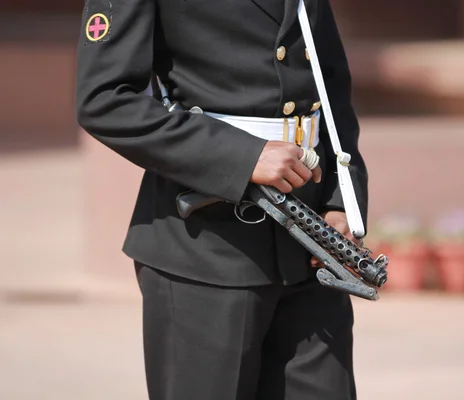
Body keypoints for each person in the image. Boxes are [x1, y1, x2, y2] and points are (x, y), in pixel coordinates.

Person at [75, 0, 369, 398]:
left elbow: (328, 81)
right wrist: (244, 157)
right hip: (205, 248)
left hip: (311, 241)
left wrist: (341, 198)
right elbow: (105, 100)